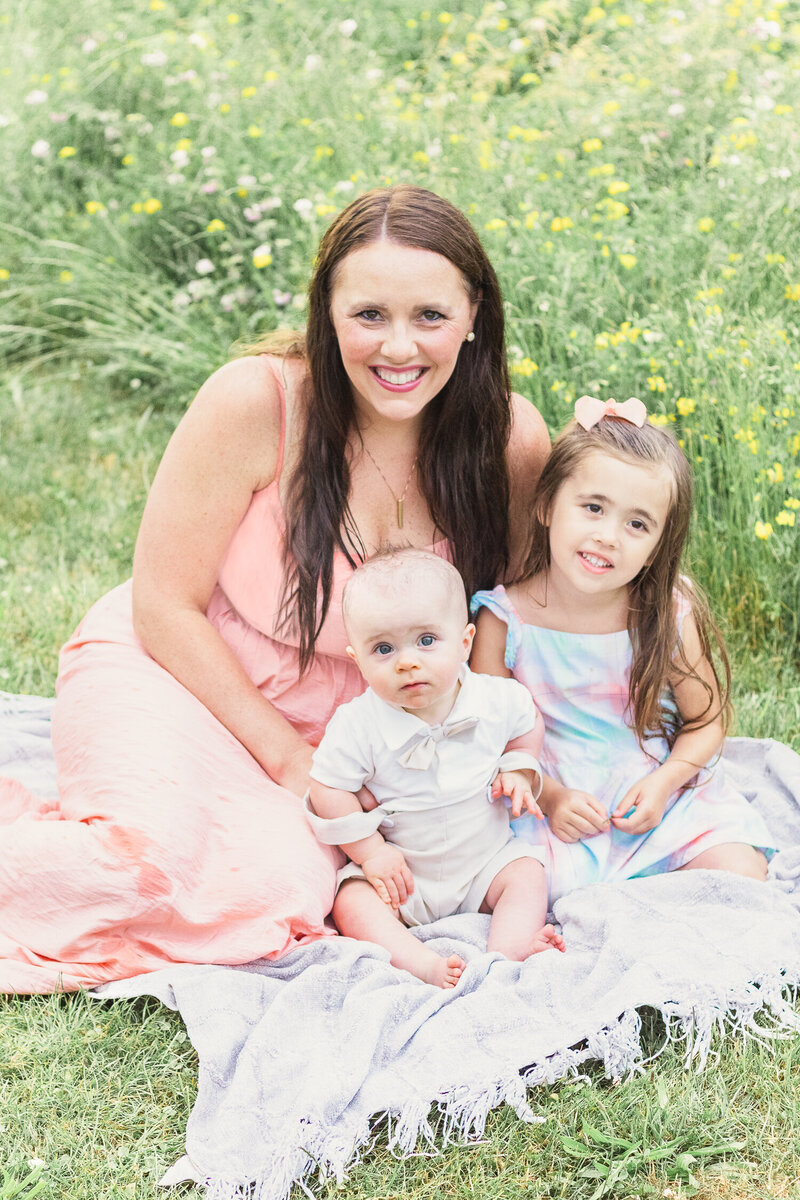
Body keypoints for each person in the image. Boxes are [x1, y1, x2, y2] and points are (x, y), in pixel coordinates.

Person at [0, 185, 550, 993]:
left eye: (430, 316)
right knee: (139, 868)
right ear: (326, 312)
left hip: (359, 723)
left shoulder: (507, 438)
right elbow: (163, 601)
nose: (399, 348)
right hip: (185, 671)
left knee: (275, 894)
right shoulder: (257, 402)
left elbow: (524, 612)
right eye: (369, 315)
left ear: (475, 316)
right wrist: (289, 757)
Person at [470, 396, 775, 902]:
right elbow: (487, 740)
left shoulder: (664, 613)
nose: (608, 537)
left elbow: (706, 723)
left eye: (637, 524)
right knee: (518, 890)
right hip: (550, 800)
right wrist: (552, 794)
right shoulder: (505, 620)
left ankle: (656, 898)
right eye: (592, 508)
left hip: (651, 793)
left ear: (659, 541)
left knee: (739, 872)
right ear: (546, 505)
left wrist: (665, 784)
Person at [306, 549, 565, 989]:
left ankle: (509, 947)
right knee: (351, 900)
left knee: (527, 873)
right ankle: (416, 960)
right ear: (358, 660)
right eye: (383, 649)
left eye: (426, 641)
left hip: (484, 862)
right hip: (405, 876)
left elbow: (528, 724)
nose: (407, 661)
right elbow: (326, 789)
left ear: (464, 642)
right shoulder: (357, 724)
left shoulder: (494, 699)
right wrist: (371, 853)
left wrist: (519, 769)